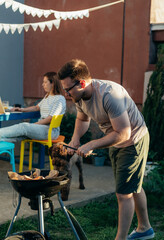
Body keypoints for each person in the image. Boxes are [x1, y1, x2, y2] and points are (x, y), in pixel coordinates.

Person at [57, 59, 154, 240]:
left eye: (68, 89)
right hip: (115, 140)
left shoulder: (109, 95)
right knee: (133, 185)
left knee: (123, 194)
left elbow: (124, 133)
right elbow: (83, 120)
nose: (66, 93)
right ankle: (145, 228)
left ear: (82, 83)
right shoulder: (79, 96)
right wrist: (76, 139)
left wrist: (92, 144)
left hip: (133, 140)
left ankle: (121, 238)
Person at [0, 72, 66, 142]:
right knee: (21, 134)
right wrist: (22, 109)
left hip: (51, 131)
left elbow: (50, 119)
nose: (43, 84)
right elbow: (36, 107)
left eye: (45, 82)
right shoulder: (47, 96)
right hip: (42, 128)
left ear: (52, 83)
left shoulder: (59, 99)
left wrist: (33, 125)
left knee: (24, 127)